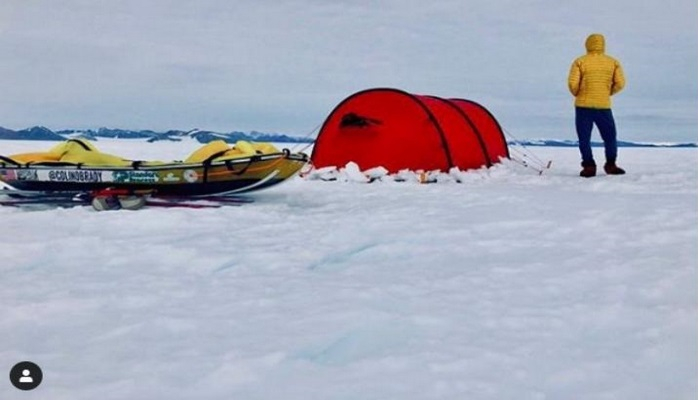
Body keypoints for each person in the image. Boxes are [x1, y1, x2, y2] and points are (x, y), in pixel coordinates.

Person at [568, 33, 626, 177]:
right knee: (610, 137)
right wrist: (607, 93)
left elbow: (572, 83)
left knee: (584, 138)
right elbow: (621, 83)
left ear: (587, 45)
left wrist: (579, 93)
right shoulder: (613, 62)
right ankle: (611, 164)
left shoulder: (580, 61)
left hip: (583, 106)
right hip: (603, 106)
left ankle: (589, 166)